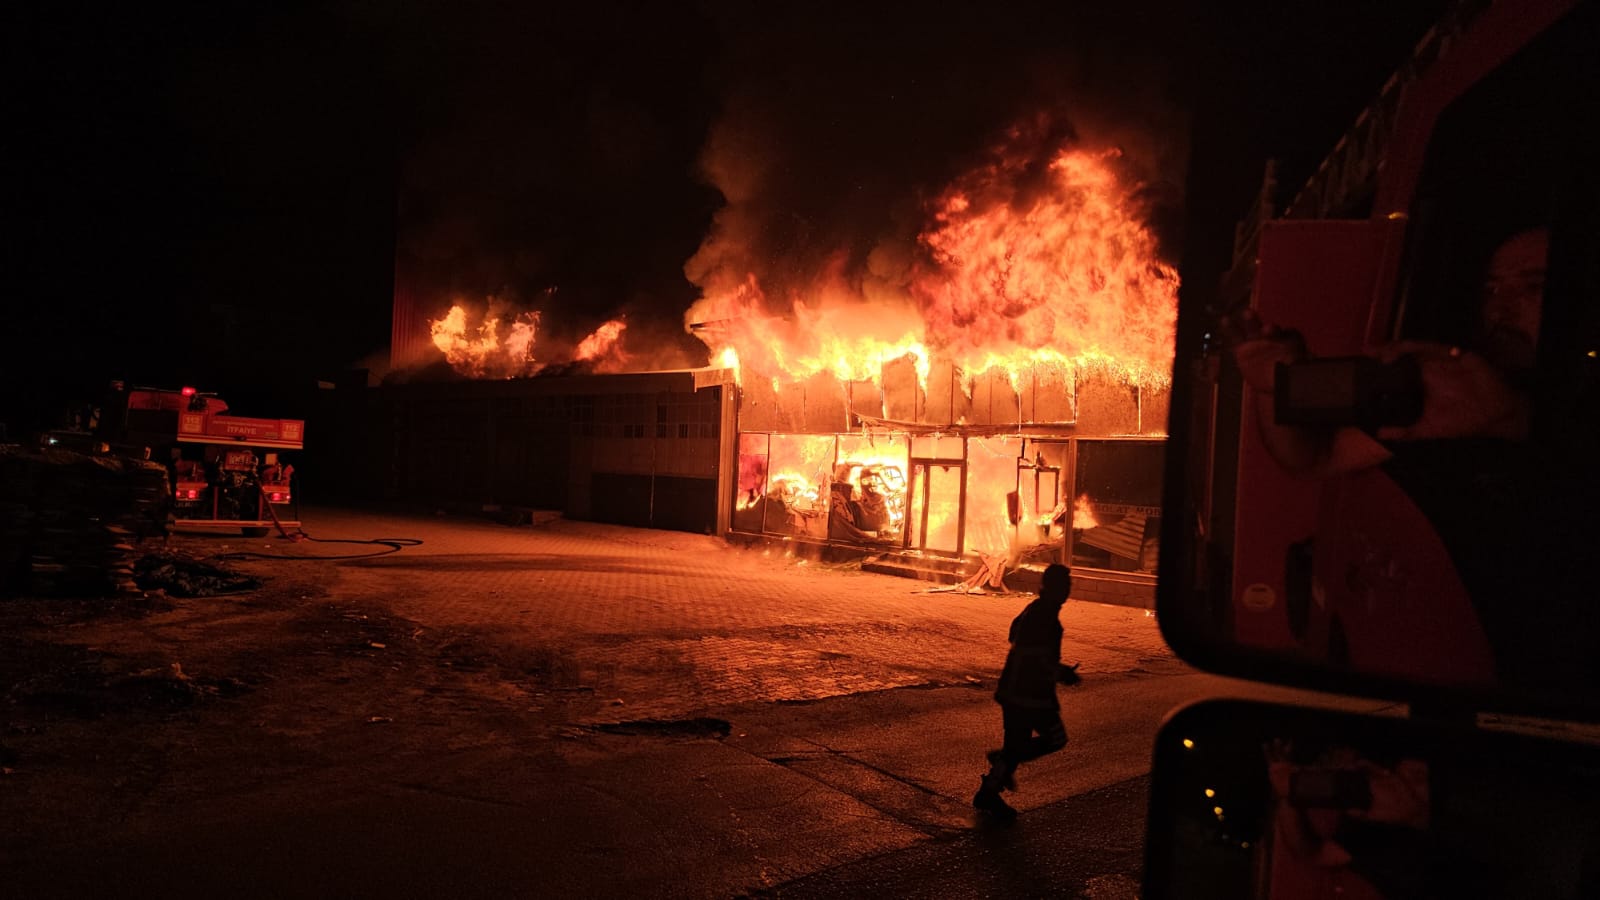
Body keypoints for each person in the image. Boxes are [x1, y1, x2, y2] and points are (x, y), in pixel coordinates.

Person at [973, 563, 1079, 820]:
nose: (1066, 591)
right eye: (1063, 586)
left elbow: (1014, 635)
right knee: (1054, 738)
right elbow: (1038, 660)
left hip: (1017, 691)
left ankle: (990, 790)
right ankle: (1000, 768)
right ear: (1052, 587)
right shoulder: (1045, 616)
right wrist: (1062, 673)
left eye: (1068, 586)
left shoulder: (1037, 610)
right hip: (1029, 695)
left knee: (1017, 744)